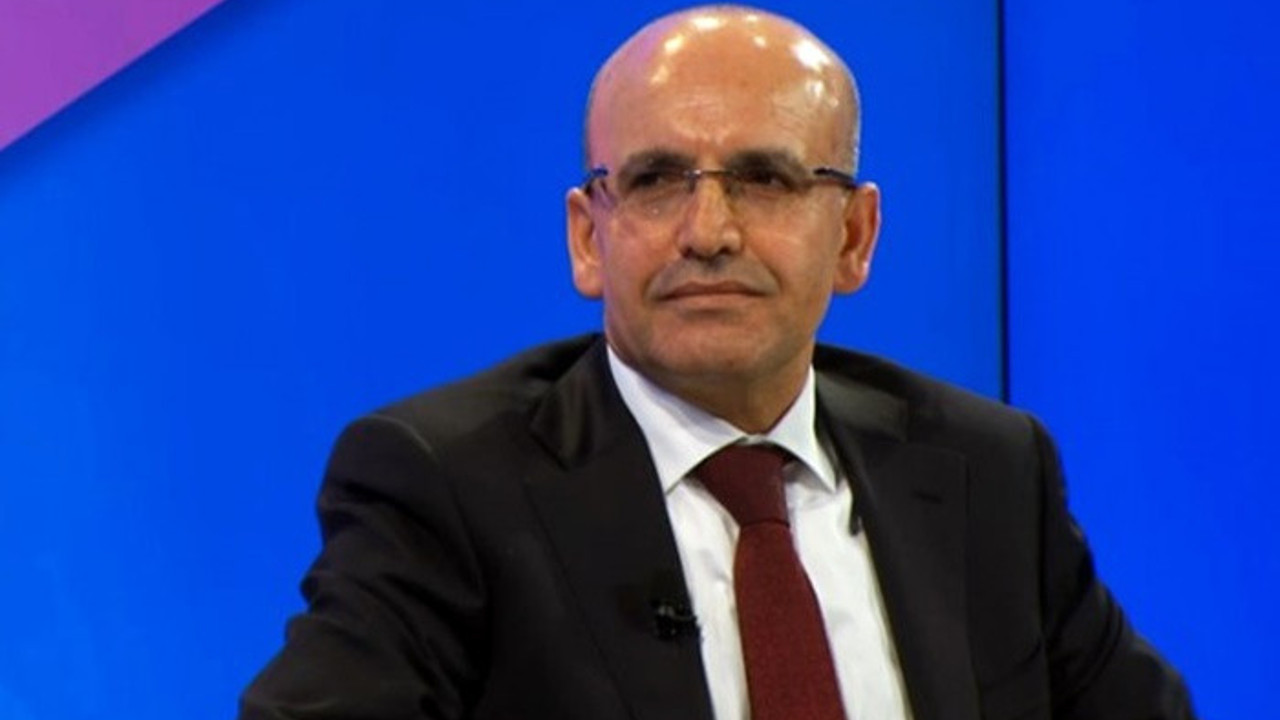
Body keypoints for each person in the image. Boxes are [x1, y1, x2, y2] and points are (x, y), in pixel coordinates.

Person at [240, 5, 1196, 719]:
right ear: (588, 238)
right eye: (656, 181)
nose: (707, 232)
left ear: (855, 237)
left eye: (765, 179)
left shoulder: (990, 471)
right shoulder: (448, 486)